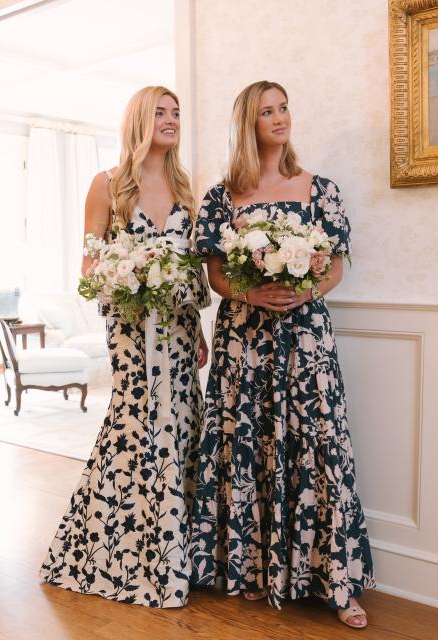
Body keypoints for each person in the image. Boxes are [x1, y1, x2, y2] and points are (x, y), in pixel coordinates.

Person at [190, 81, 374, 629]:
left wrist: (304, 291)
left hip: (306, 340)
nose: (280, 118)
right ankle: (252, 570)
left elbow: (335, 266)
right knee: (248, 445)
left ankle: (337, 584)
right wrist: (250, 293)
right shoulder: (222, 196)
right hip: (244, 340)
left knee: (319, 448)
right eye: (267, 111)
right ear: (248, 123)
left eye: (285, 107)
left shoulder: (320, 189)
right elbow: (216, 274)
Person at [39, 86, 211, 608]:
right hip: (131, 329)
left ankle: (182, 553)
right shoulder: (108, 185)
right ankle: (122, 551)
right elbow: (89, 270)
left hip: (180, 330)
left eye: (176, 113)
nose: (171, 120)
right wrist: (131, 274)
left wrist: (199, 329)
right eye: (160, 112)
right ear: (139, 119)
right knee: (137, 423)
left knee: (180, 422)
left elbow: (194, 268)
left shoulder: (186, 188)